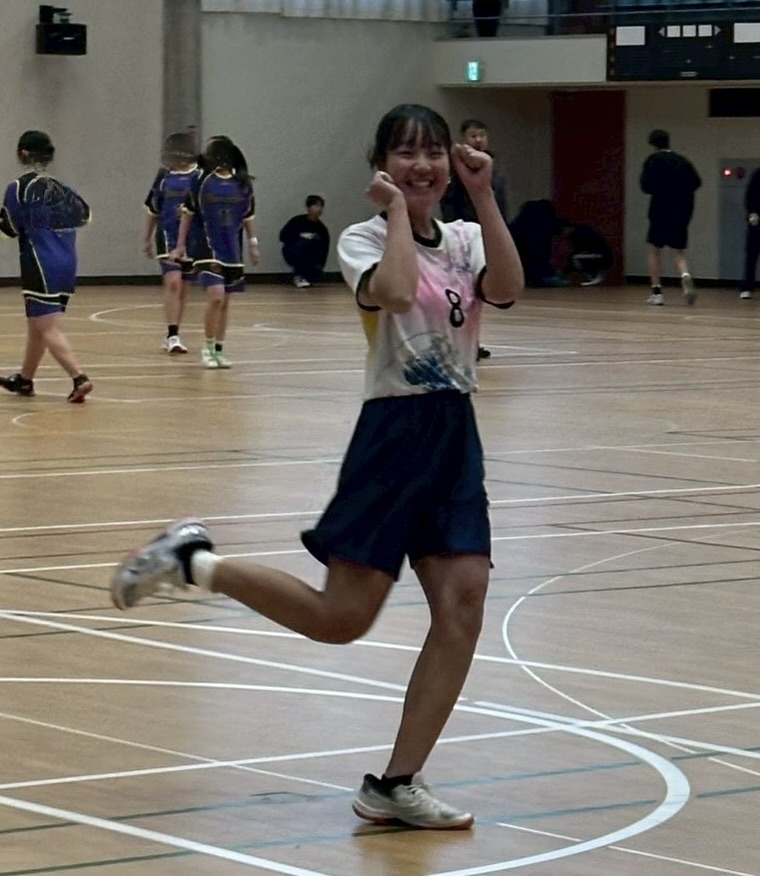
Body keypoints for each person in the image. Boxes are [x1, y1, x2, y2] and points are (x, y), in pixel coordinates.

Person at [110, 103, 524, 830]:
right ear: (382, 164)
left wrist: (485, 195)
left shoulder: (465, 237)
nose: (423, 165)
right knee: (340, 620)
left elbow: (509, 289)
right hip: (393, 437)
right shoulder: (363, 238)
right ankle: (194, 562)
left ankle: (396, 783)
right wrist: (395, 213)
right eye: (406, 152)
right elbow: (398, 293)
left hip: (455, 433)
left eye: (433, 151)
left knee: (464, 602)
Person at [0, 130, 93, 403]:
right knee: (38, 323)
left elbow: (9, 228)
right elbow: (84, 215)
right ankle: (25, 379)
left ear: (23, 154)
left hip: (40, 261)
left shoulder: (18, 188)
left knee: (48, 327)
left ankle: (79, 377)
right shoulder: (61, 188)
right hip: (67, 261)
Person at [172, 135, 259, 369]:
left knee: (225, 302)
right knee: (216, 296)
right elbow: (187, 214)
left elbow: (248, 216)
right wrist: (180, 245)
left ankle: (219, 349)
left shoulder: (242, 184)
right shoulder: (201, 181)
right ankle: (208, 348)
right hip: (207, 248)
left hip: (232, 250)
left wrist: (253, 243)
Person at [441, 118, 509, 361]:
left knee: (478, 295)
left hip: (486, 238)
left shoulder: (493, 169)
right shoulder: (456, 171)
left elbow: (500, 205)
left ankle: (472, 341)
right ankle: (461, 341)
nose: (478, 140)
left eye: (482, 135)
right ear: (463, 139)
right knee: (461, 292)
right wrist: (453, 234)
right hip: (463, 237)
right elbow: (448, 204)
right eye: (473, 135)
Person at [143, 132, 201, 354]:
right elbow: (153, 210)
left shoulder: (200, 176)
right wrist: (147, 238)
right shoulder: (164, 177)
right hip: (167, 236)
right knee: (173, 282)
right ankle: (172, 335)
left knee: (184, 287)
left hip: (193, 239)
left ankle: (176, 329)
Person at [640, 129, 701, 306]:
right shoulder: (682, 161)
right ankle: (685, 275)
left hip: (660, 210)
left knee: (655, 250)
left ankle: (657, 292)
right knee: (678, 251)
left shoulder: (653, 160)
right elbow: (696, 182)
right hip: (681, 211)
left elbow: (645, 186)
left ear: (653, 144)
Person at [279, 195, 330, 288]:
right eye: (316, 206)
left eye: (321, 206)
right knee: (303, 244)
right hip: (293, 251)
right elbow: (283, 236)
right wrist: (300, 237)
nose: (319, 209)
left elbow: (325, 248)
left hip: (312, 257)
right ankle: (298, 274)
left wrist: (320, 265)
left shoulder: (321, 228)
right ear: (309, 208)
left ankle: (309, 273)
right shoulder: (296, 221)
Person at [559, 219, 614, 286]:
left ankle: (593, 276)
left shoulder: (580, 233)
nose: (563, 234)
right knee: (574, 258)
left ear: (566, 228)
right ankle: (593, 275)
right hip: (600, 255)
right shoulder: (577, 233)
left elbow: (590, 247)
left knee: (576, 258)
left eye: (563, 231)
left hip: (602, 255)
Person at [739, 167, 760, 300]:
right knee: (752, 255)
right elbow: (750, 195)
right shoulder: (758, 174)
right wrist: (752, 212)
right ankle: (747, 287)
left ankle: (747, 287)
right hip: (757, 220)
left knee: (751, 256)